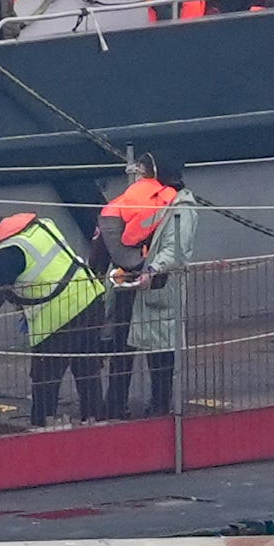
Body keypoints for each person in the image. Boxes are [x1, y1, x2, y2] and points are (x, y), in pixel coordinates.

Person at [0, 201, 105, 426]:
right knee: (87, 370)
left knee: (44, 380)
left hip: (61, 317)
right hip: (91, 299)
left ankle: (42, 430)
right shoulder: (39, 225)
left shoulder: (7, 252)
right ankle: (96, 423)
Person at [96, 152, 182, 419]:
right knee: (159, 349)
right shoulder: (172, 202)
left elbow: (101, 245)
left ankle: (115, 405)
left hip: (126, 279)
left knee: (123, 347)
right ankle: (160, 405)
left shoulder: (124, 200)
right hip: (157, 282)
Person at [124, 155, 197, 417]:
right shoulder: (158, 203)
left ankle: (161, 405)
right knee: (152, 349)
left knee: (162, 353)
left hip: (163, 286)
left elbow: (177, 249)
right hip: (146, 285)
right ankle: (155, 404)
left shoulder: (181, 207)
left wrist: (153, 269)